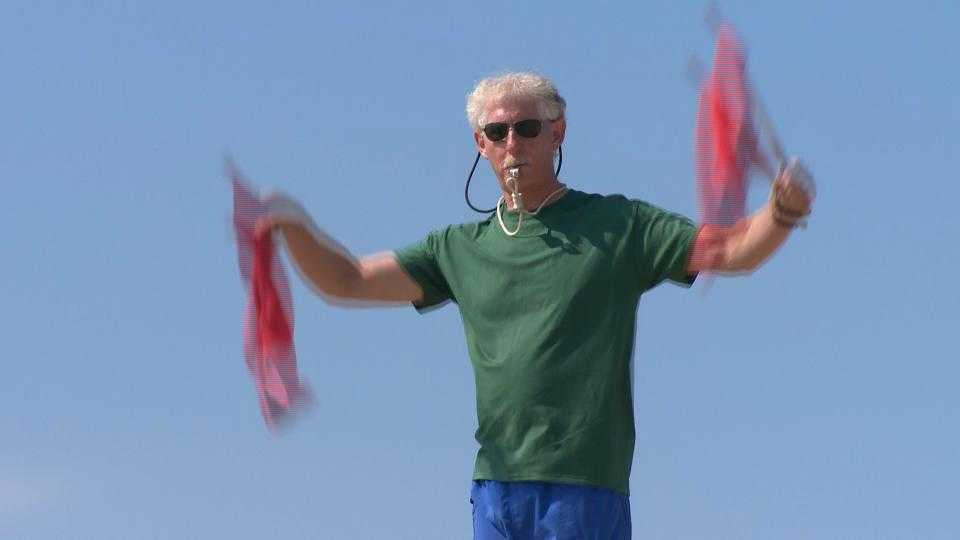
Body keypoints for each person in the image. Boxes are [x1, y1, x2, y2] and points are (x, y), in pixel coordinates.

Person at [256, 72, 814, 539]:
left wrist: (782, 213)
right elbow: (346, 280)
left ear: (557, 132)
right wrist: (292, 224)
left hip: (584, 486)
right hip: (495, 486)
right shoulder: (459, 249)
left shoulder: (618, 226)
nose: (511, 144)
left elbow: (733, 250)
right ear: (480, 143)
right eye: (496, 132)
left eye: (526, 128)